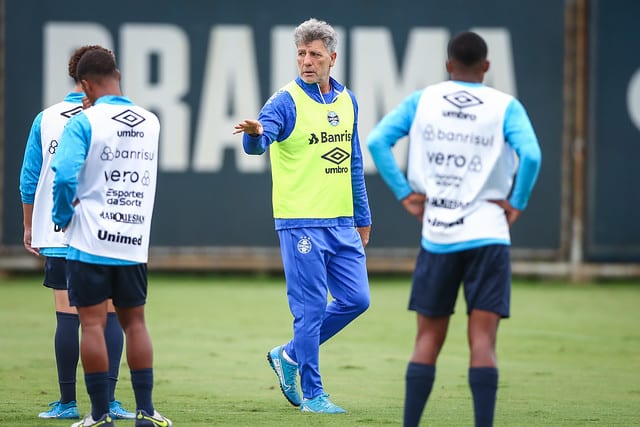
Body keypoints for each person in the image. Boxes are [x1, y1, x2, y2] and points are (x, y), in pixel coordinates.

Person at [367, 31, 542, 427]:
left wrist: (405, 194)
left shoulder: (423, 99)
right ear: (486, 66)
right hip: (488, 234)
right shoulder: (505, 105)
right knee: (482, 342)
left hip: (438, 233)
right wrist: (518, 201)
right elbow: (531, 154)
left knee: (427, 340)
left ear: (448, 65)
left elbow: (377, 141)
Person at [234, 18, 372, 414]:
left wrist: (362, 215)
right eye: (300, 54)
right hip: (301, 222)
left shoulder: (348, 100)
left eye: (314, 54)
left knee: (356, 299)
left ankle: (288, 355)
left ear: (332, 57)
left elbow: (354, 162)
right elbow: (261, 141)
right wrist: (256, 134)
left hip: (342, 221)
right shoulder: (284, 101)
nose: (306, 61)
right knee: (310, 309)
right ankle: (314, 394)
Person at [51, 48, 171, 427]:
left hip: (89, 242)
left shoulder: (83, 123)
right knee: (135, 323)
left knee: (91, 325)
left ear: (84, 84)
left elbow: (66, 177)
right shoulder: (150, 121)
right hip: (133, 240)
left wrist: (61, 216)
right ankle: (146, 412)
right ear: (118, 74)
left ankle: (100, 415)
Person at [19, 45, 135, 421]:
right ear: (110, 74)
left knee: (68, 316)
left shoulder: (47, 118)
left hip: (58, 230)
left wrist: (28, 224)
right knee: (110, 314)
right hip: (107, 229)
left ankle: (68, 402)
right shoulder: (121, 118)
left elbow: (30, 179)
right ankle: (111, 401)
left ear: (76, 77)